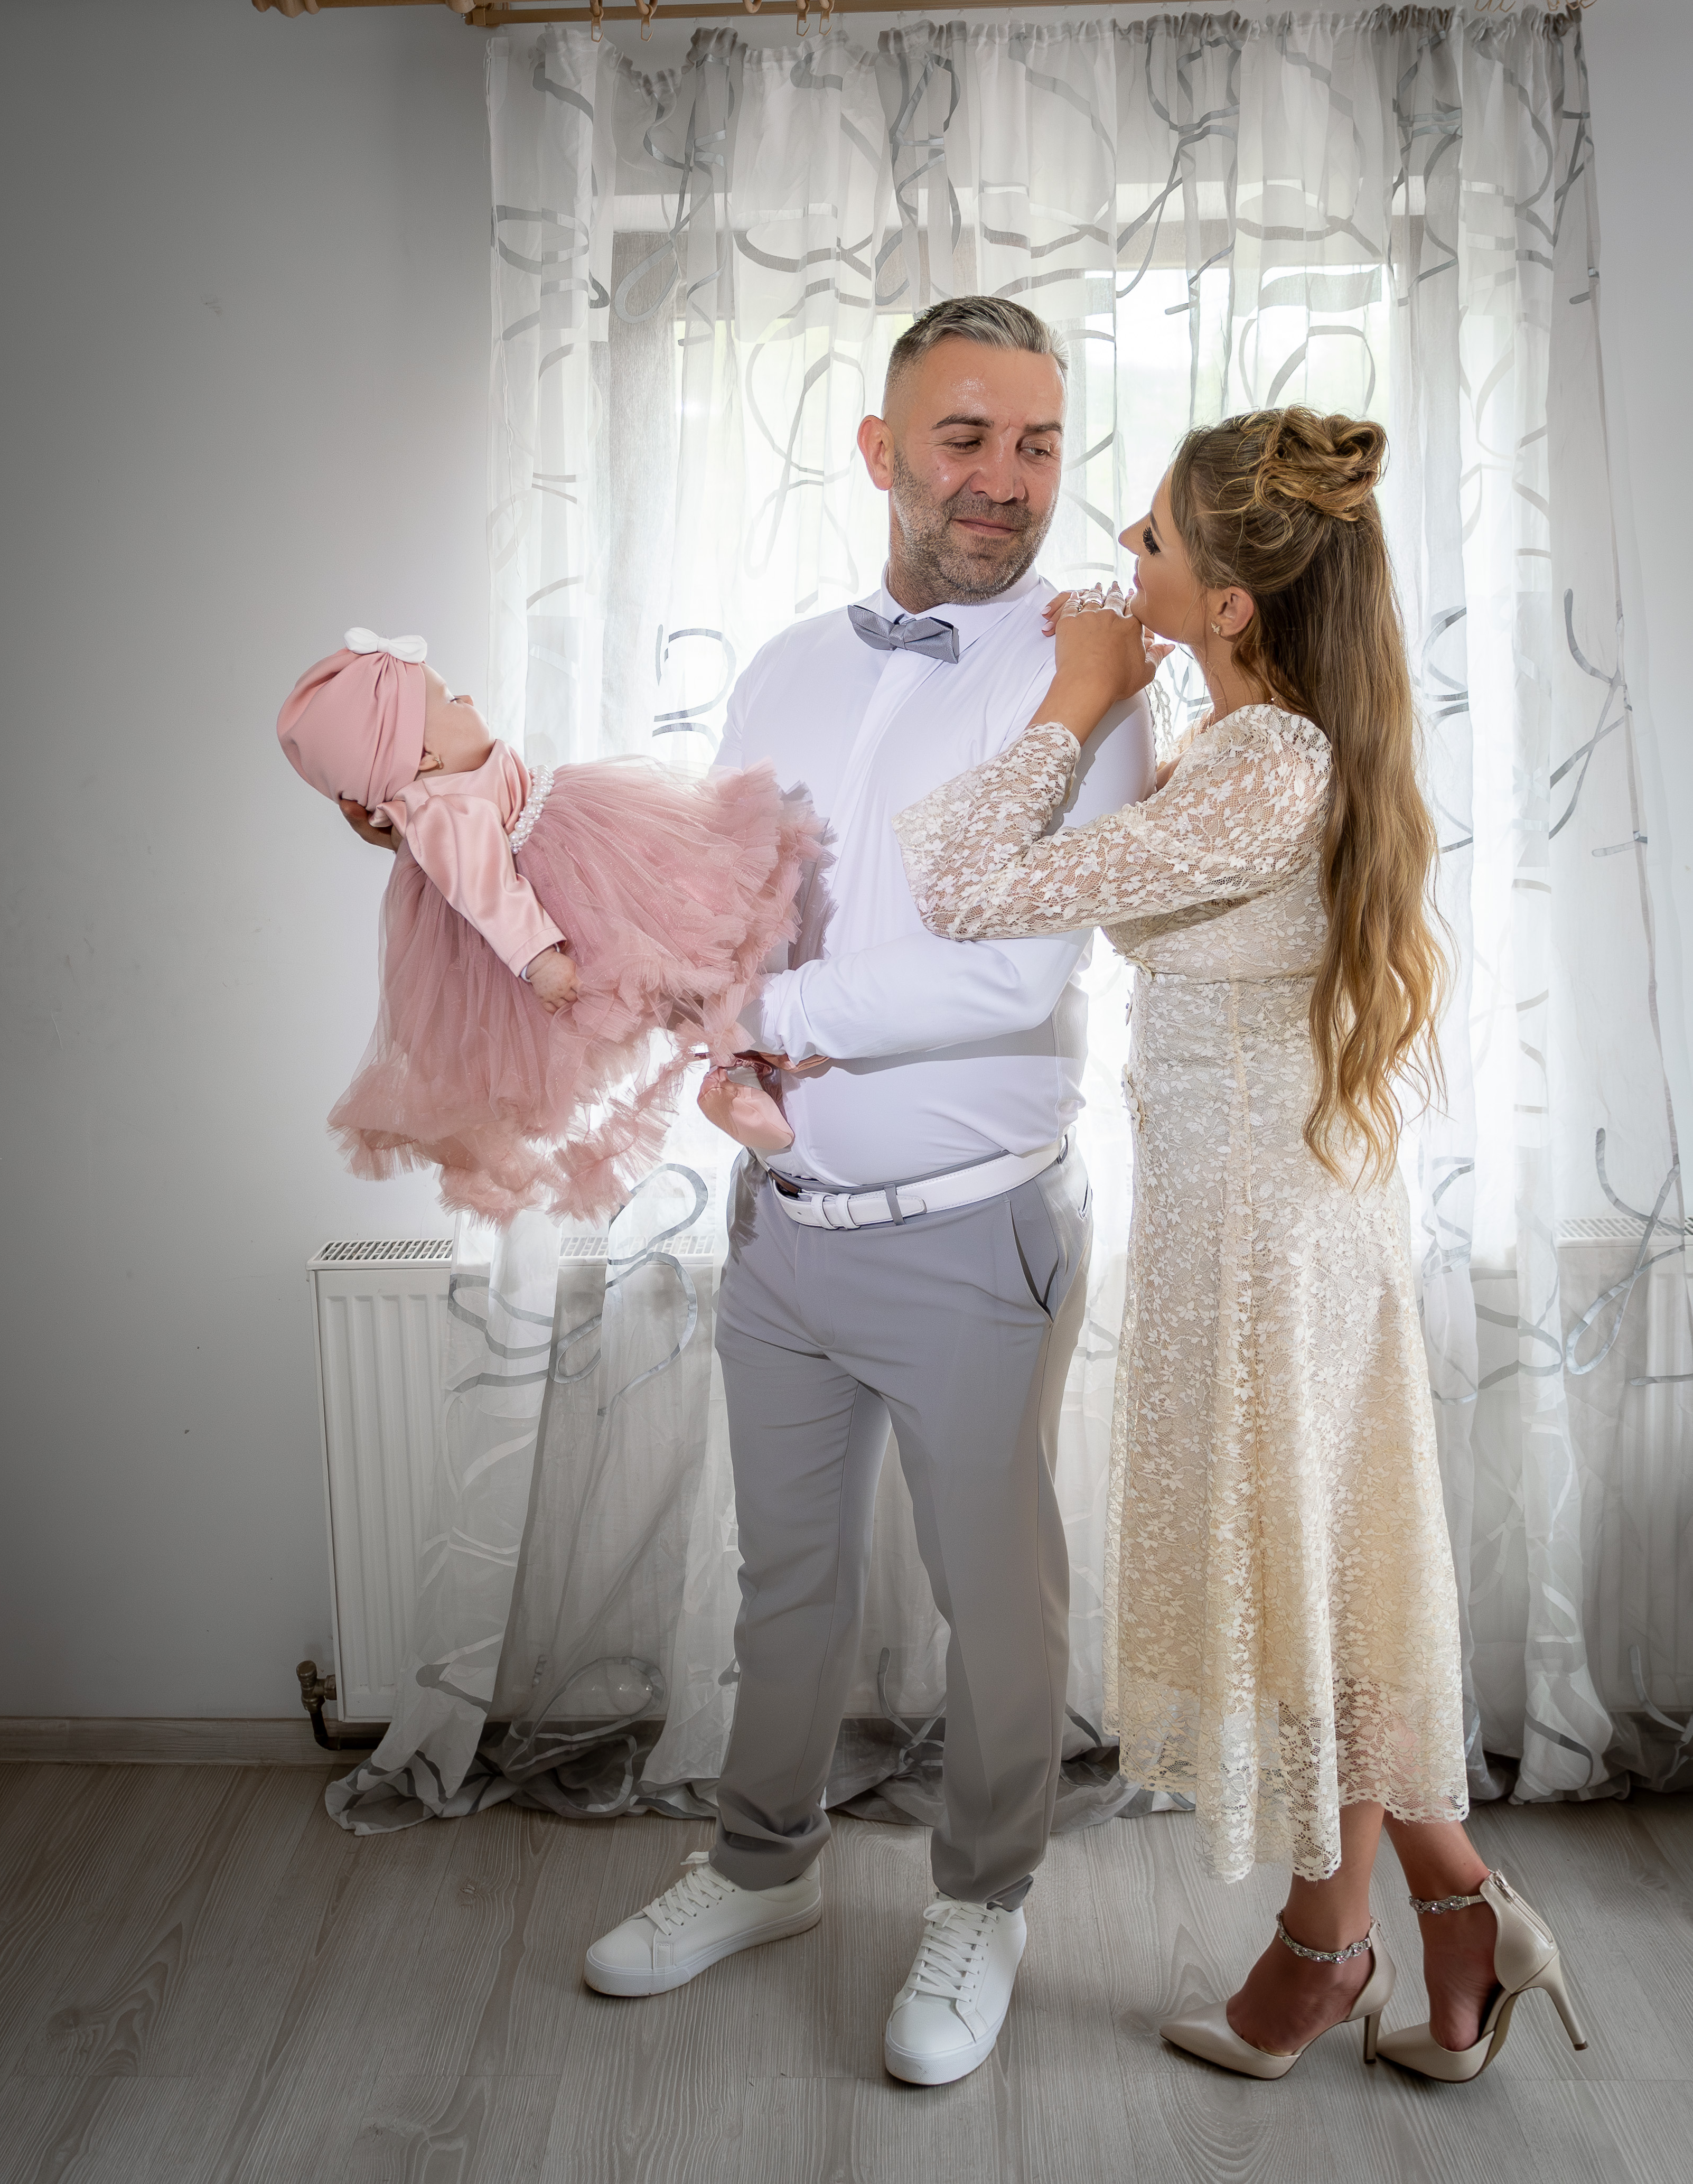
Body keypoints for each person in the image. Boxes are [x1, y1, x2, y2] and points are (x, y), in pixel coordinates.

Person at [891, 408, 1586, 2083]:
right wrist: (1117, 702)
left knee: (1304, 1593)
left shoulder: (1268, 763)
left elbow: (961, 884)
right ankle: (1447, 1912)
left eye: (1148, 539)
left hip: (1268, 1240)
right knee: (1318, 1586)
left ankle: (1331, 1944)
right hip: (1257, 1222)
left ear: (1227, 601)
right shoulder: (1238, 746)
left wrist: (1075, 697)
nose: (1116, 557)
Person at [580, 297, 1155, 2086]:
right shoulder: (779, 667)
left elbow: (1012, 968)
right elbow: (727, 908)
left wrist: (768, 1014)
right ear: (881, 450)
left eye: (1037, 444)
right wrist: (692, 1013)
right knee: (786, 1582)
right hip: (778, 1233)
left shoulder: (1088, 672)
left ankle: (982, 1898)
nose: (1003, 479)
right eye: (965, 437)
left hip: (973, 1233)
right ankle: (764, 1864)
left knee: (999, 1603)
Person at [286, 629, 817, 1222]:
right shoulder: (443, 811)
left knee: (670, 955)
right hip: (551, 897)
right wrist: (537, 957)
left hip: (564, 855)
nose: (468, 702)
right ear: (427, 757)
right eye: (451, 700)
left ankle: (740, 1061)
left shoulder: (443, 796)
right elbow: (486, 891)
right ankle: (739, 1071)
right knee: (660, 963)